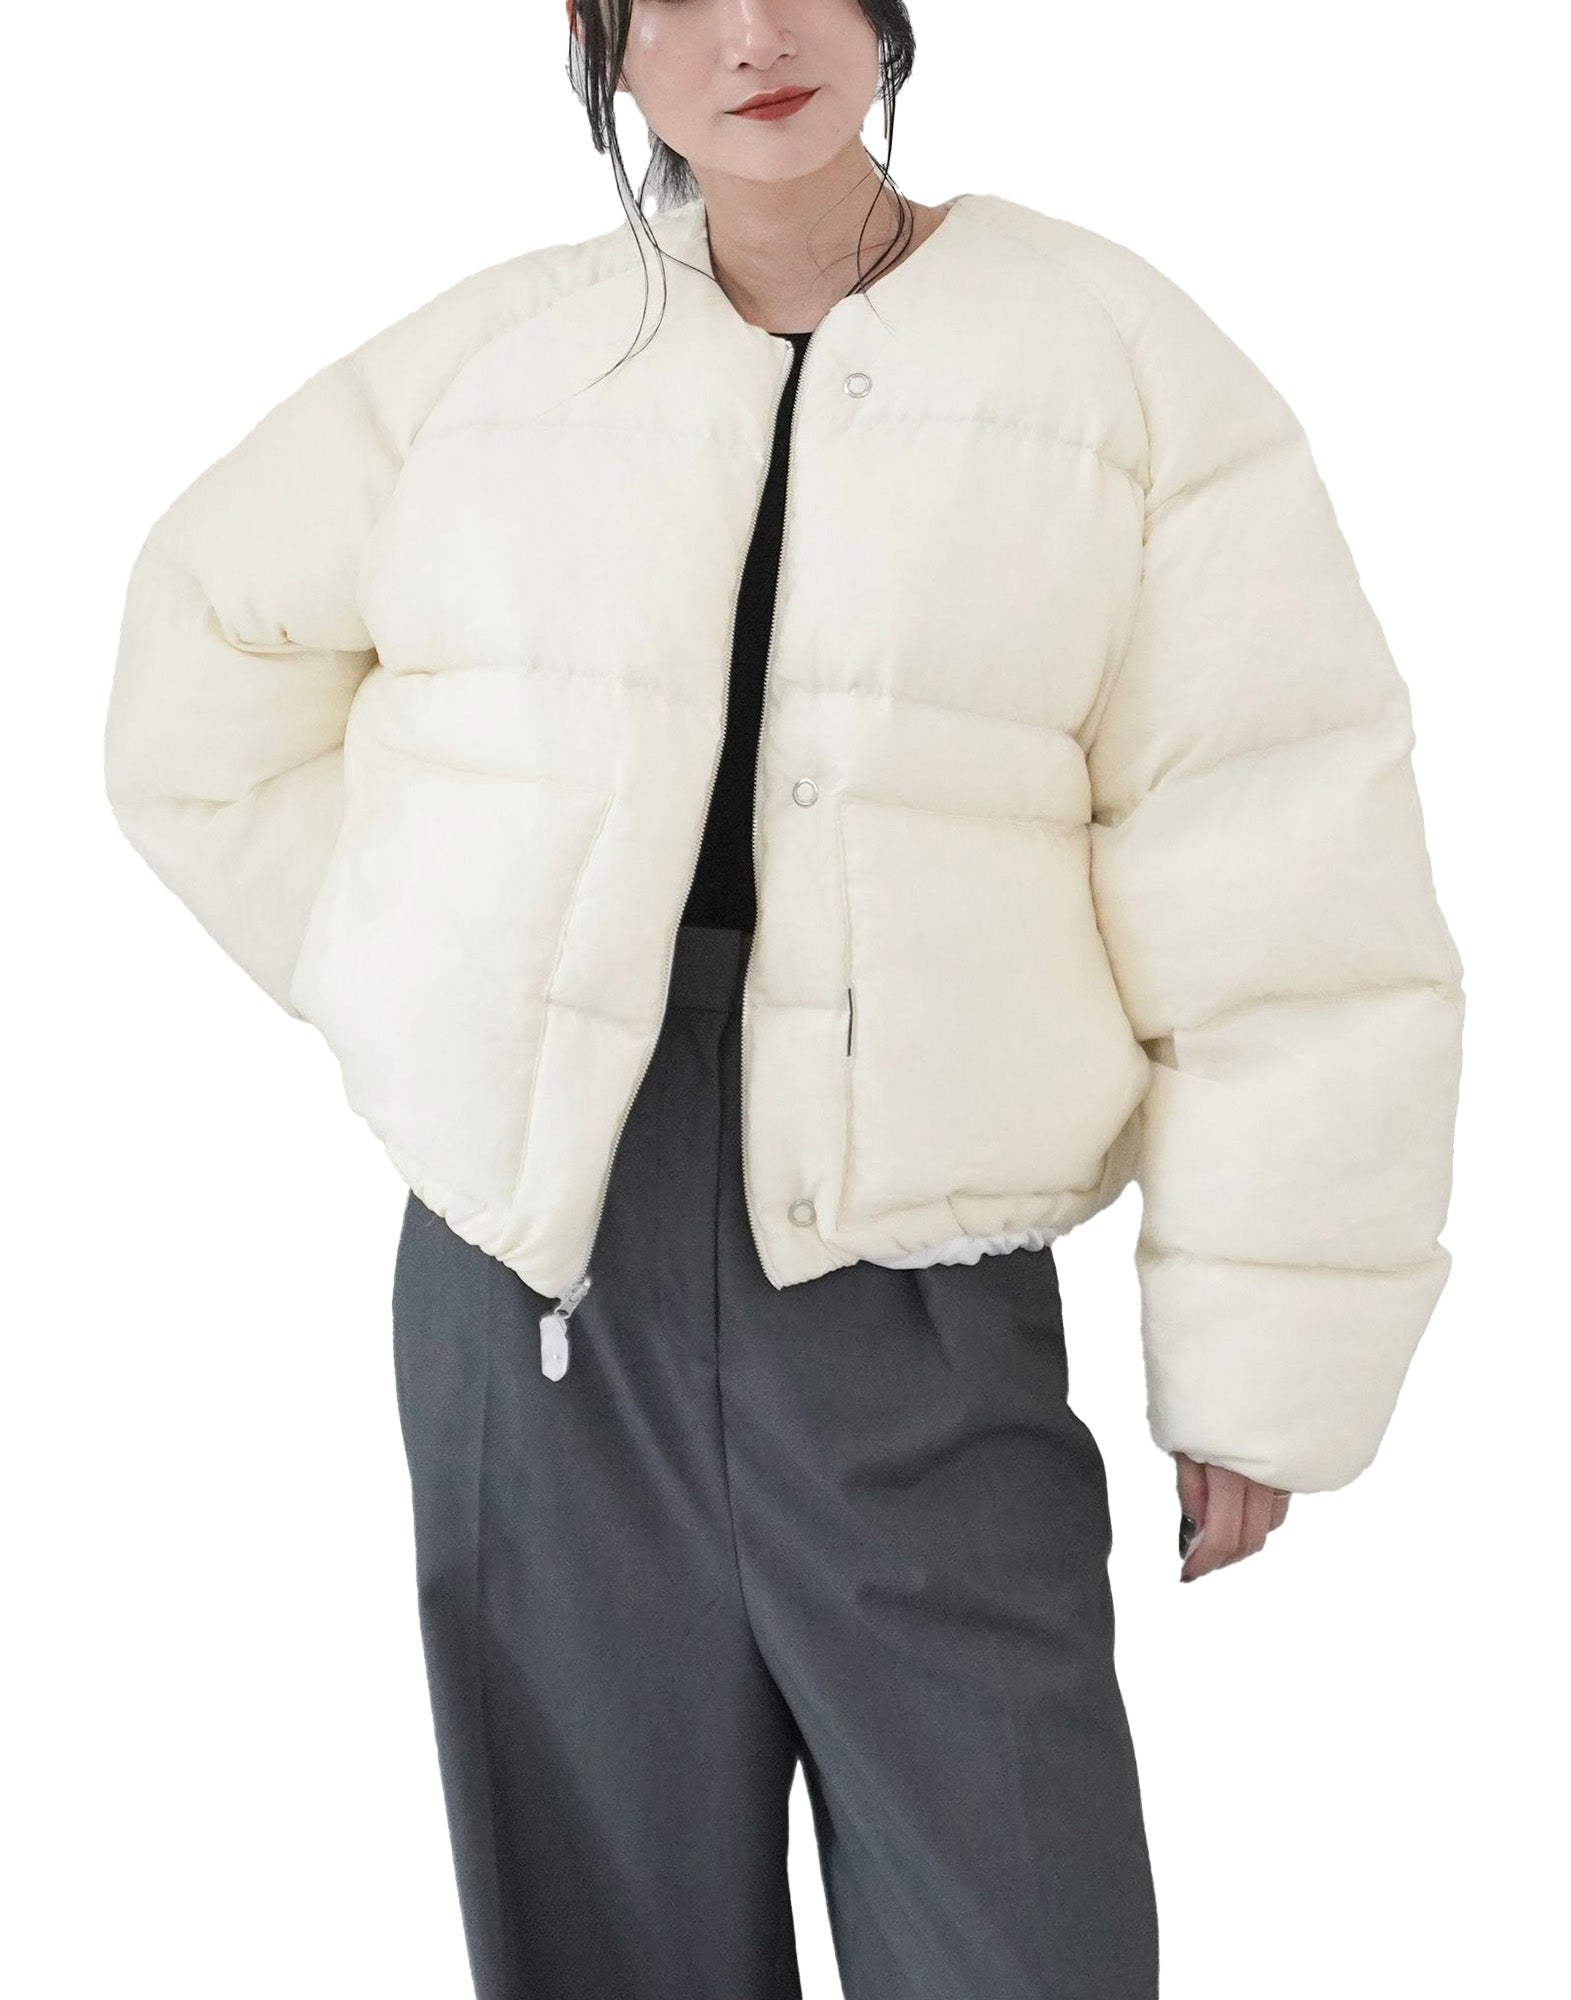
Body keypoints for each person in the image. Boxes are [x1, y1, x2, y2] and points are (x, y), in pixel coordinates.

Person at [101, 2, 1465, 1994]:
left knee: (1023, 1936)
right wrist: (448, 988)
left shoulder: (1113, 365)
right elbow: (200, 665)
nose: (752, 34)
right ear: (607, 47)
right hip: (538, 1281)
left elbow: (1284, 862)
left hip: (917, 1283)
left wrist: (1265, 1348)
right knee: (603, 1936)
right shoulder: (499, 365)